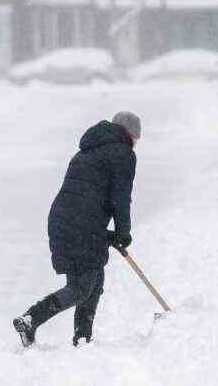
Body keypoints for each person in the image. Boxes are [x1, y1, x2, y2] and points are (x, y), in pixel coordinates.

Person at [13, 111, 140, 347]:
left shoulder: (88, 149)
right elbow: (120, 198)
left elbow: (89, 196)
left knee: (93, 278)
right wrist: (123, 232)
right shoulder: (122, 153)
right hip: (83, 224)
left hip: (63, 220)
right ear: (130, 134)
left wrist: (109, 234)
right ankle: (32, 318)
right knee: (81, 287)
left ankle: (83, 338)